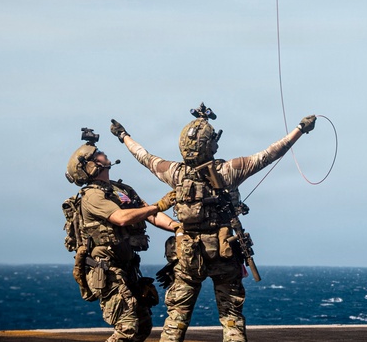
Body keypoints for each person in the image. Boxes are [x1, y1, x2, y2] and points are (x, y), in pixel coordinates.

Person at [108, 104, 318, 342]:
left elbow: (145, 157)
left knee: (176, 318)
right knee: (231, 318)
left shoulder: (176, 173)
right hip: (224, 252)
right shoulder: (229, 171)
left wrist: (124, 136)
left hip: (187, 256)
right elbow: (270, 154)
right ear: (211, 145)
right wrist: (300, 129)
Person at [66, 135, 181, 342]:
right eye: (97, 154)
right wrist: (158, 205)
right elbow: (120, 218)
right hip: (107, 270)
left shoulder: (121, 190)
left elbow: (149, 214)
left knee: (143, 326)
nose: (103, 154)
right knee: (127, 328)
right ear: (90, 166)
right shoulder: (92, 196)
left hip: (127, 268)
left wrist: (176, 227)